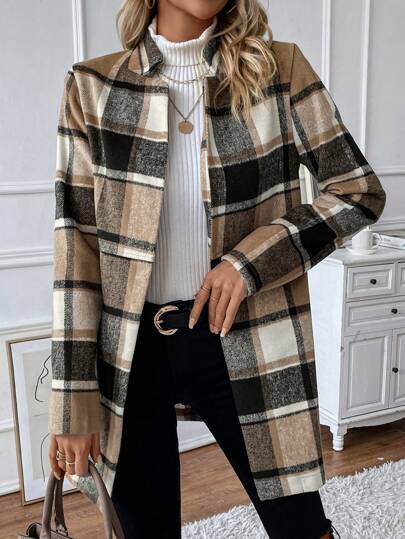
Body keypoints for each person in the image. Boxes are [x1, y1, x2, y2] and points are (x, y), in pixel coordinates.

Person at [48, 0, 386, 538]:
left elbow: (358, 191)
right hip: (131, 354)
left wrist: (249, 262)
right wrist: (72, 405)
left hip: (246, 334)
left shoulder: (279, 71)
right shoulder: (92, 87)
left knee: (301, 527)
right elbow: (77, 254)